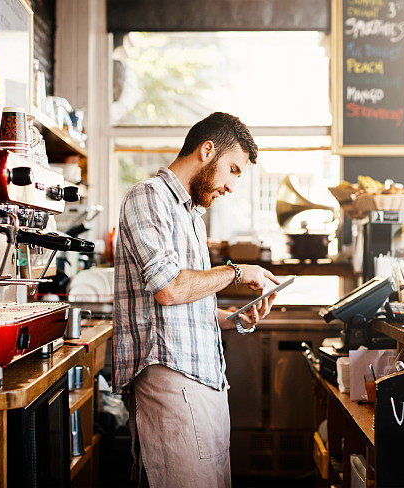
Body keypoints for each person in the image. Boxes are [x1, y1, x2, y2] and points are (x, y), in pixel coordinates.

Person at [113, 112, 279, 487]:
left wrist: (235, 317)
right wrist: (237, 271)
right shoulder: (148, 196)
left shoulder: (191, 216)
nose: (232, 185)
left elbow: (185, 304)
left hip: (206, 384)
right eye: (233, 169)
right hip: (172, 382)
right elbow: (169, 288)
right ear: (207, 151)